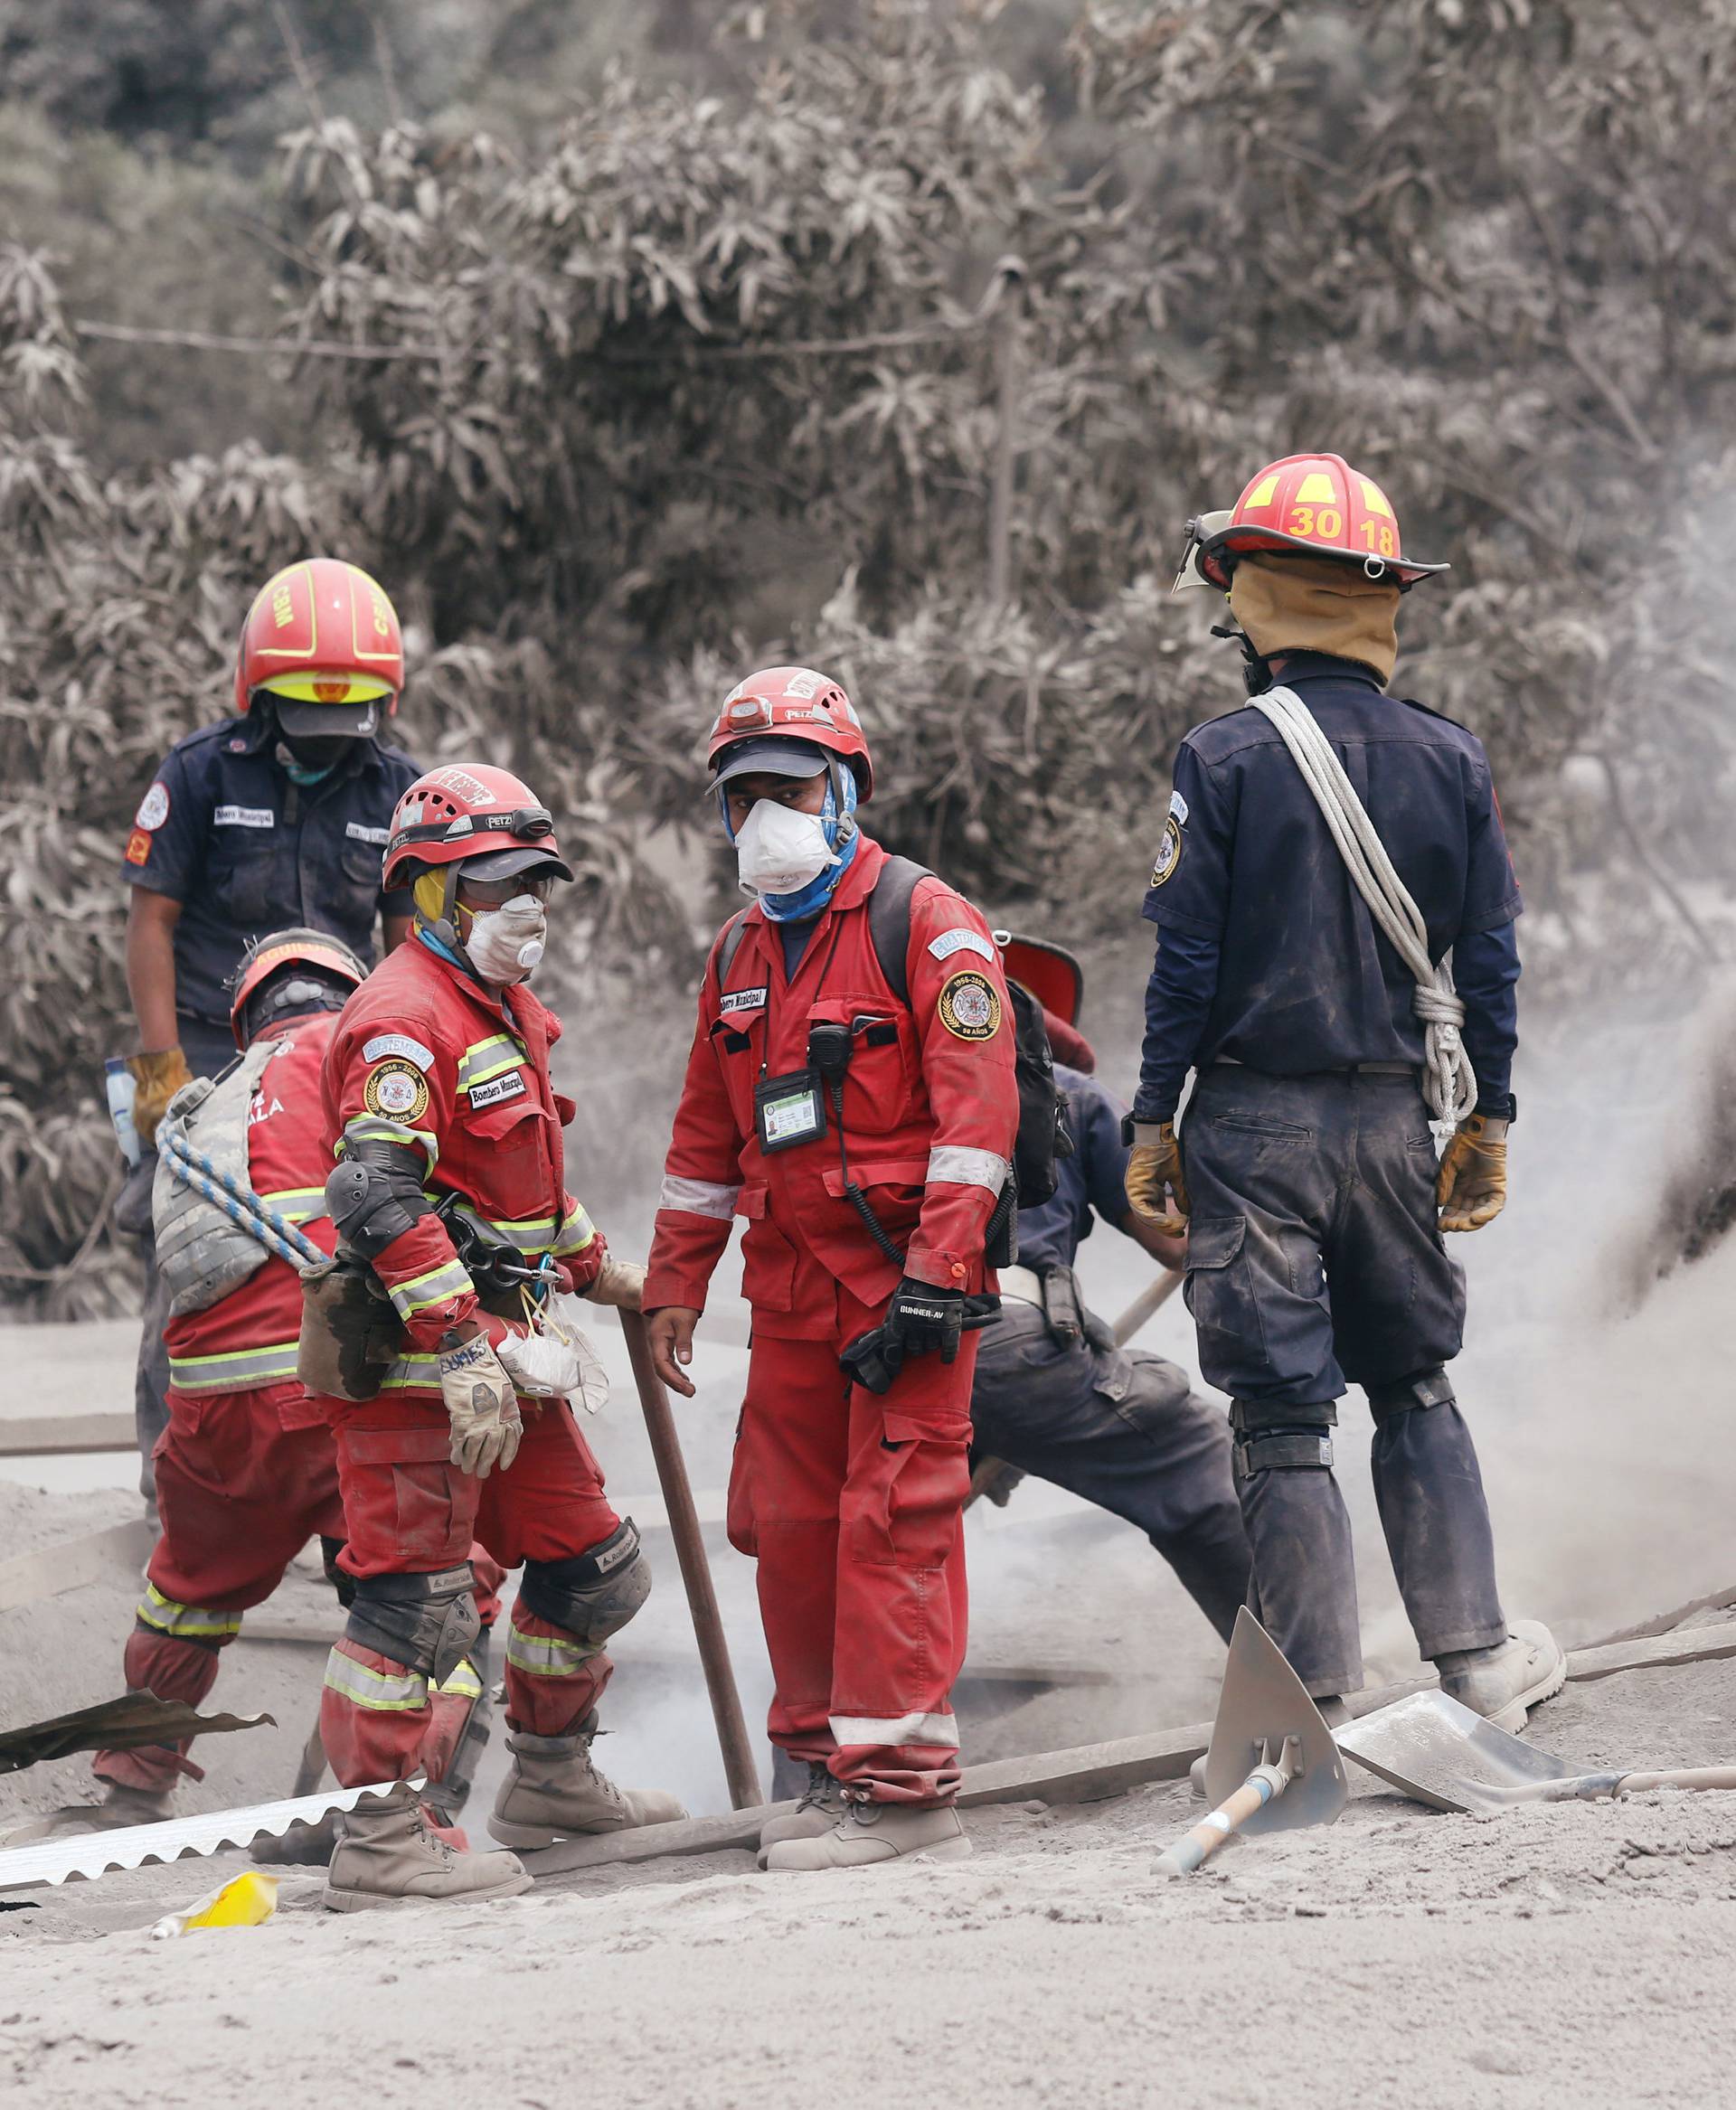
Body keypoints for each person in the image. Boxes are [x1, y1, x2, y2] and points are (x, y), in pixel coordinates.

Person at [1125, 451, 1561, 1734]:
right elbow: (1489, 962)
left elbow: (1185, 966)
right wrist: (1490, 1117)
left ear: (1255, 597)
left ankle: (1309, 1700)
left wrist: (1155, 1119)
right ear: (1380, 601)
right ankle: (1477, 1665)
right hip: (1390, 1122)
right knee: (1415, 1380)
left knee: (1278, 1411)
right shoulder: (1452, 759)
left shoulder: (1221, 759)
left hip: (1253, 1127)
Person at [645, 665, 1020, 1874]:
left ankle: (905, 1792)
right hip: (794, 1303)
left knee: (893, 1526)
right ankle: (817, 1774)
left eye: (788, 788)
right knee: (794, 1530)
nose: (764, 818)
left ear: (844, 787)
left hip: (910, 1293)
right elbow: (705, 1144)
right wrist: (673, 1288)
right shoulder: (736, 956)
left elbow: (979, 1117)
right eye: (742, 795)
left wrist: (938, 1272)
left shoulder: (927, 921)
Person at [309, 761, 684, 1912]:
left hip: (512, 1369)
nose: (532, 907)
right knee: (415, 1606)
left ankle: (551, 1781)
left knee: (595, 1570)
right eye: (503, 883)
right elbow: (375, 1194)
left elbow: (509, 1187)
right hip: (425, 1375)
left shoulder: (497, 1012)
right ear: (429, 894)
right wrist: (460, 1346)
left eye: (540, 884)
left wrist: (596, 1267)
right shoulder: (402, 1020)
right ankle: (379, 1839)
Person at [119, 559, 421, 1504]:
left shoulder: (402, 794)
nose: (326, 740)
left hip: (336, 1051)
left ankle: (341, 1486)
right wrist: (163, 1070)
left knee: (353, 1240)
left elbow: (410, 949)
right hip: (209, 1042)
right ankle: (175, 1482)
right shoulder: (199, 773)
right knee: (186, 1248)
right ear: (258, 695)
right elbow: (150, 924)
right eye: (305, 716)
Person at [966, 935, 1250, 1643]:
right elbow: (1181, 1236)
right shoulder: (1066, 1092)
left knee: (888, 1543)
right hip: (1003, 1349)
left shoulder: (881, 1092)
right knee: (1199, 1460)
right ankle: (1307, 1678)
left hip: (876, 1346)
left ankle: (832, 1742)